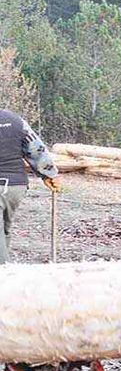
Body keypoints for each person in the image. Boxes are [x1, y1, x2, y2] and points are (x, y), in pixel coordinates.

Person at [0, 109, 60, 264]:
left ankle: (5, 278)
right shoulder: (15, 120)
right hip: (15, 187)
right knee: (4, 232)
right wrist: (49, 174)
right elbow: (36, 148)